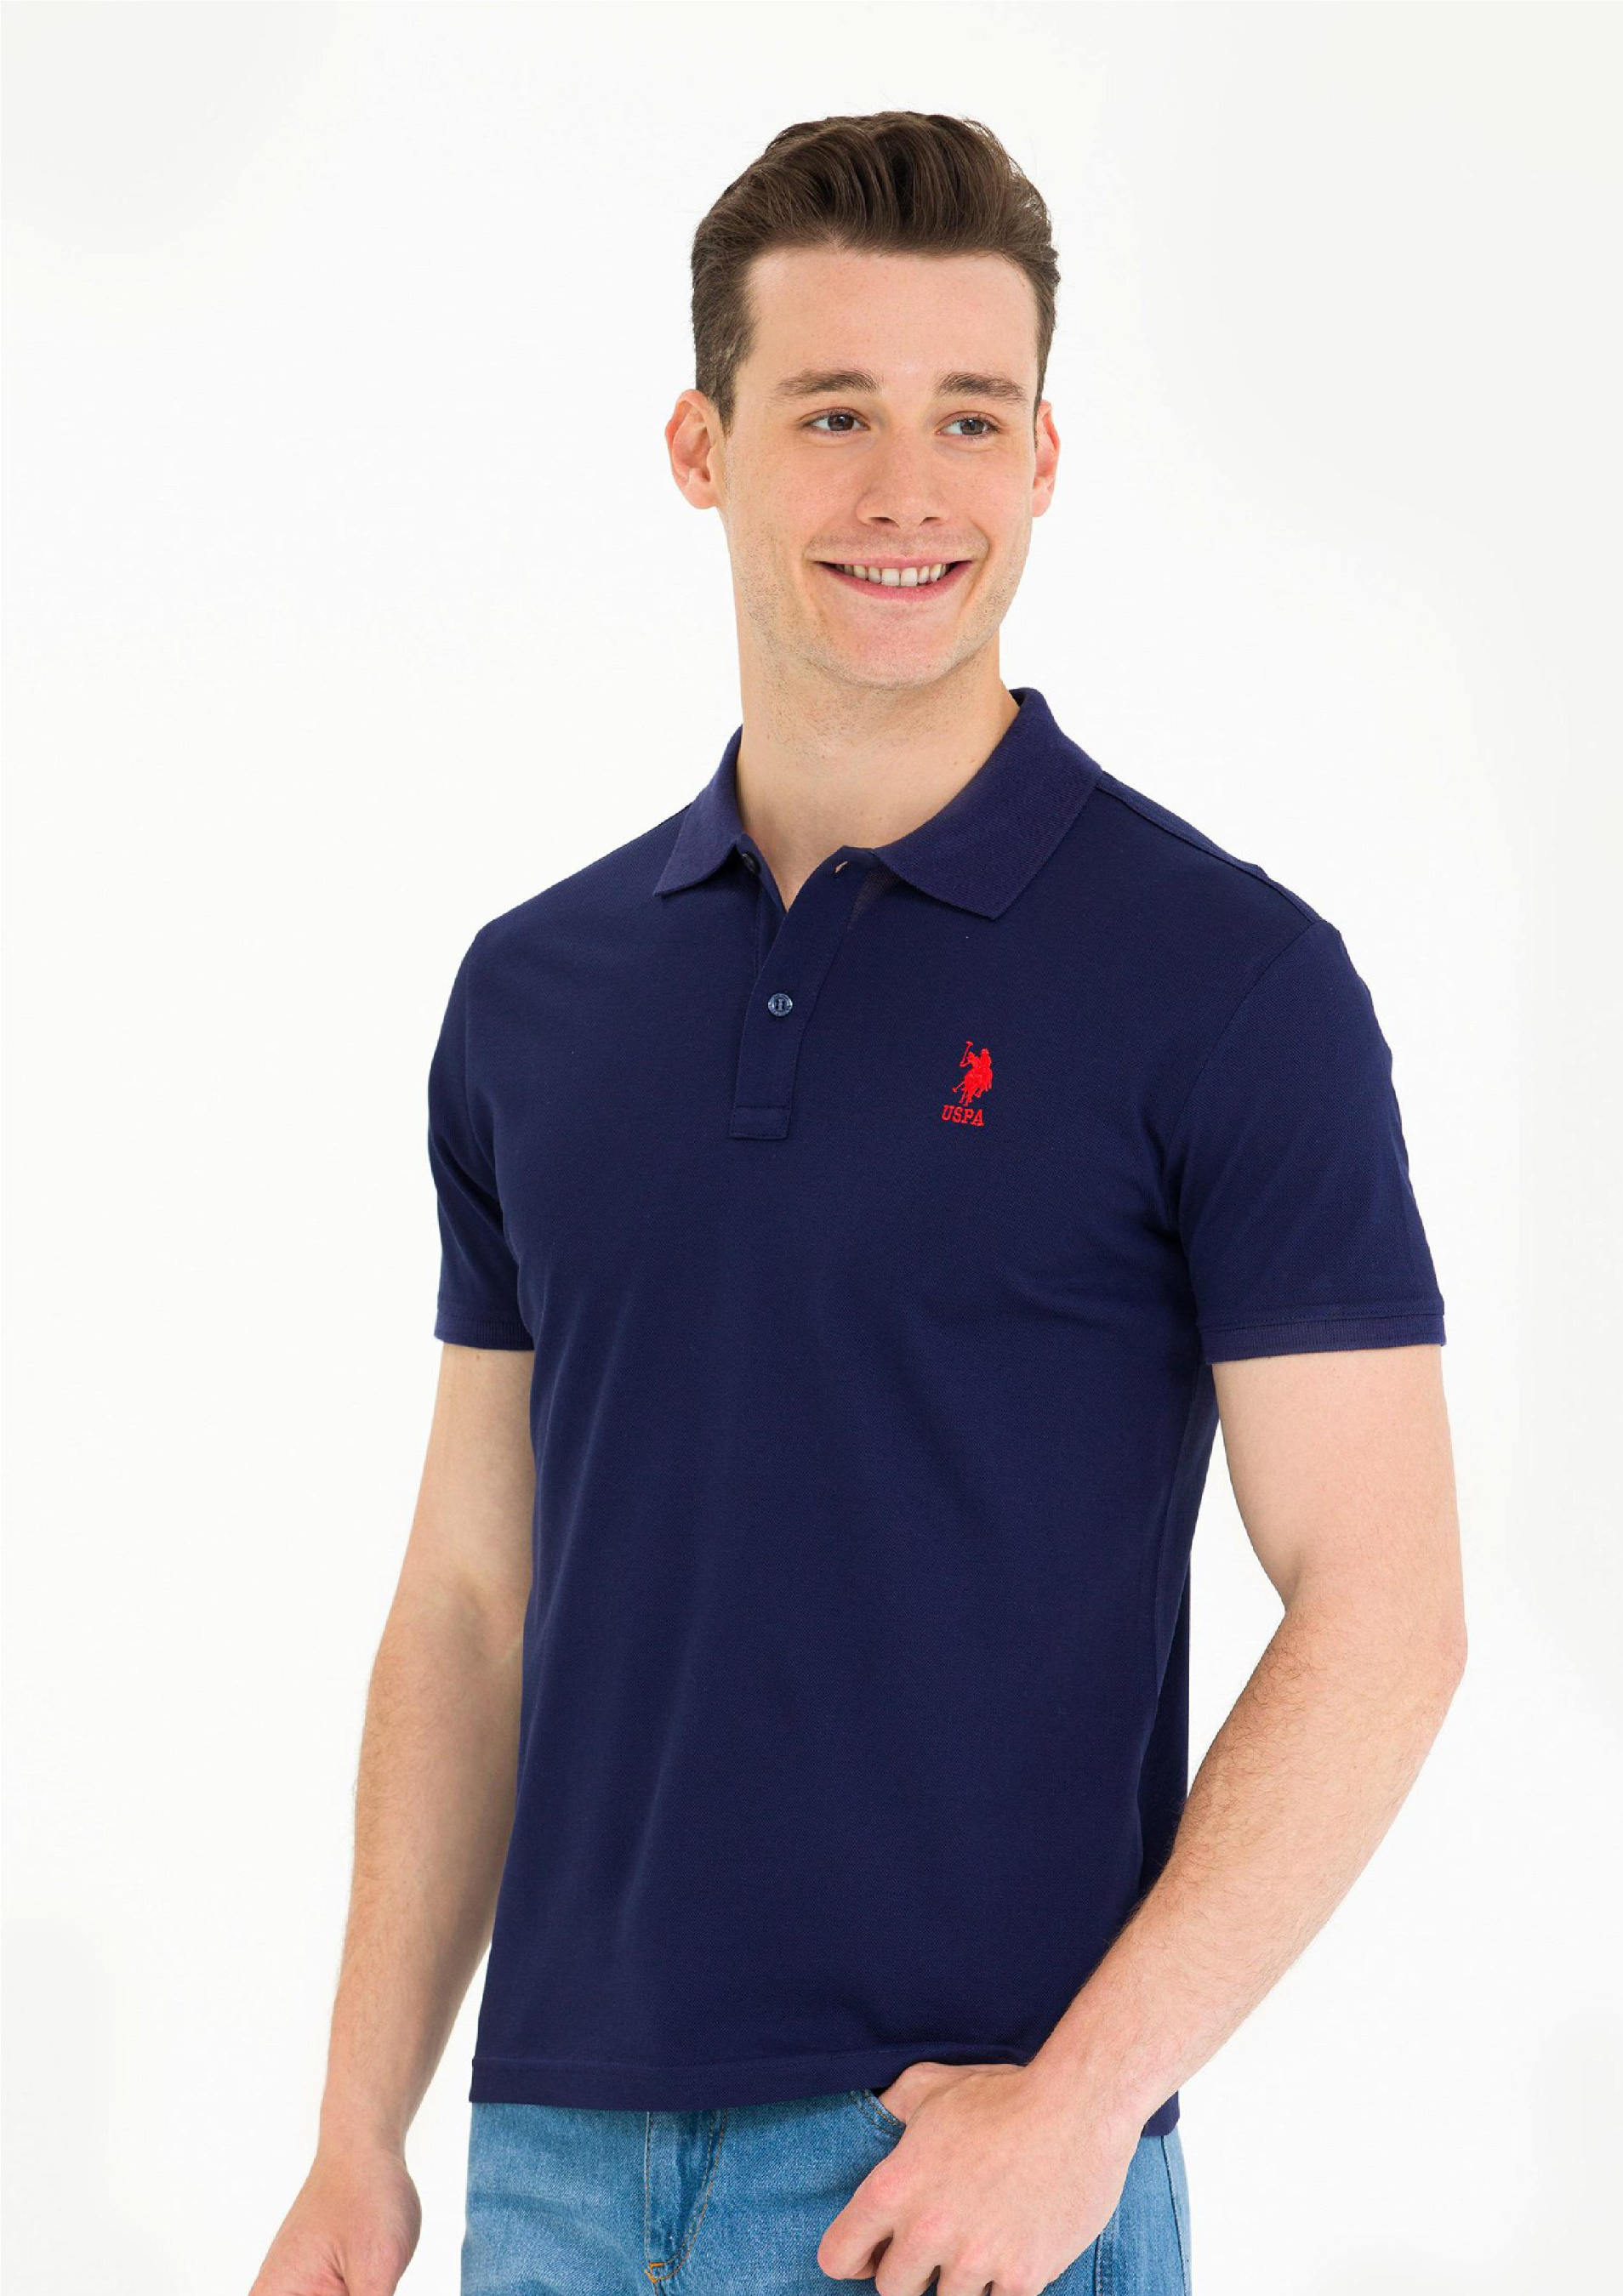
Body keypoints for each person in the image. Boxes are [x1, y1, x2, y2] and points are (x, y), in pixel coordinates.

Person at [249, 110, 1465, 2296]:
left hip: (951, 2178)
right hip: (548, 2166)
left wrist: (1080, 2107)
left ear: (1042, 458)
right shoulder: (535, 992)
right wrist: (359, 2138)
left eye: (967, 417)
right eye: (832, 413)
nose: (908, 490)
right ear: (699, 447)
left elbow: (1384, 1603)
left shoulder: (1224, 981)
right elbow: (468, 1601)